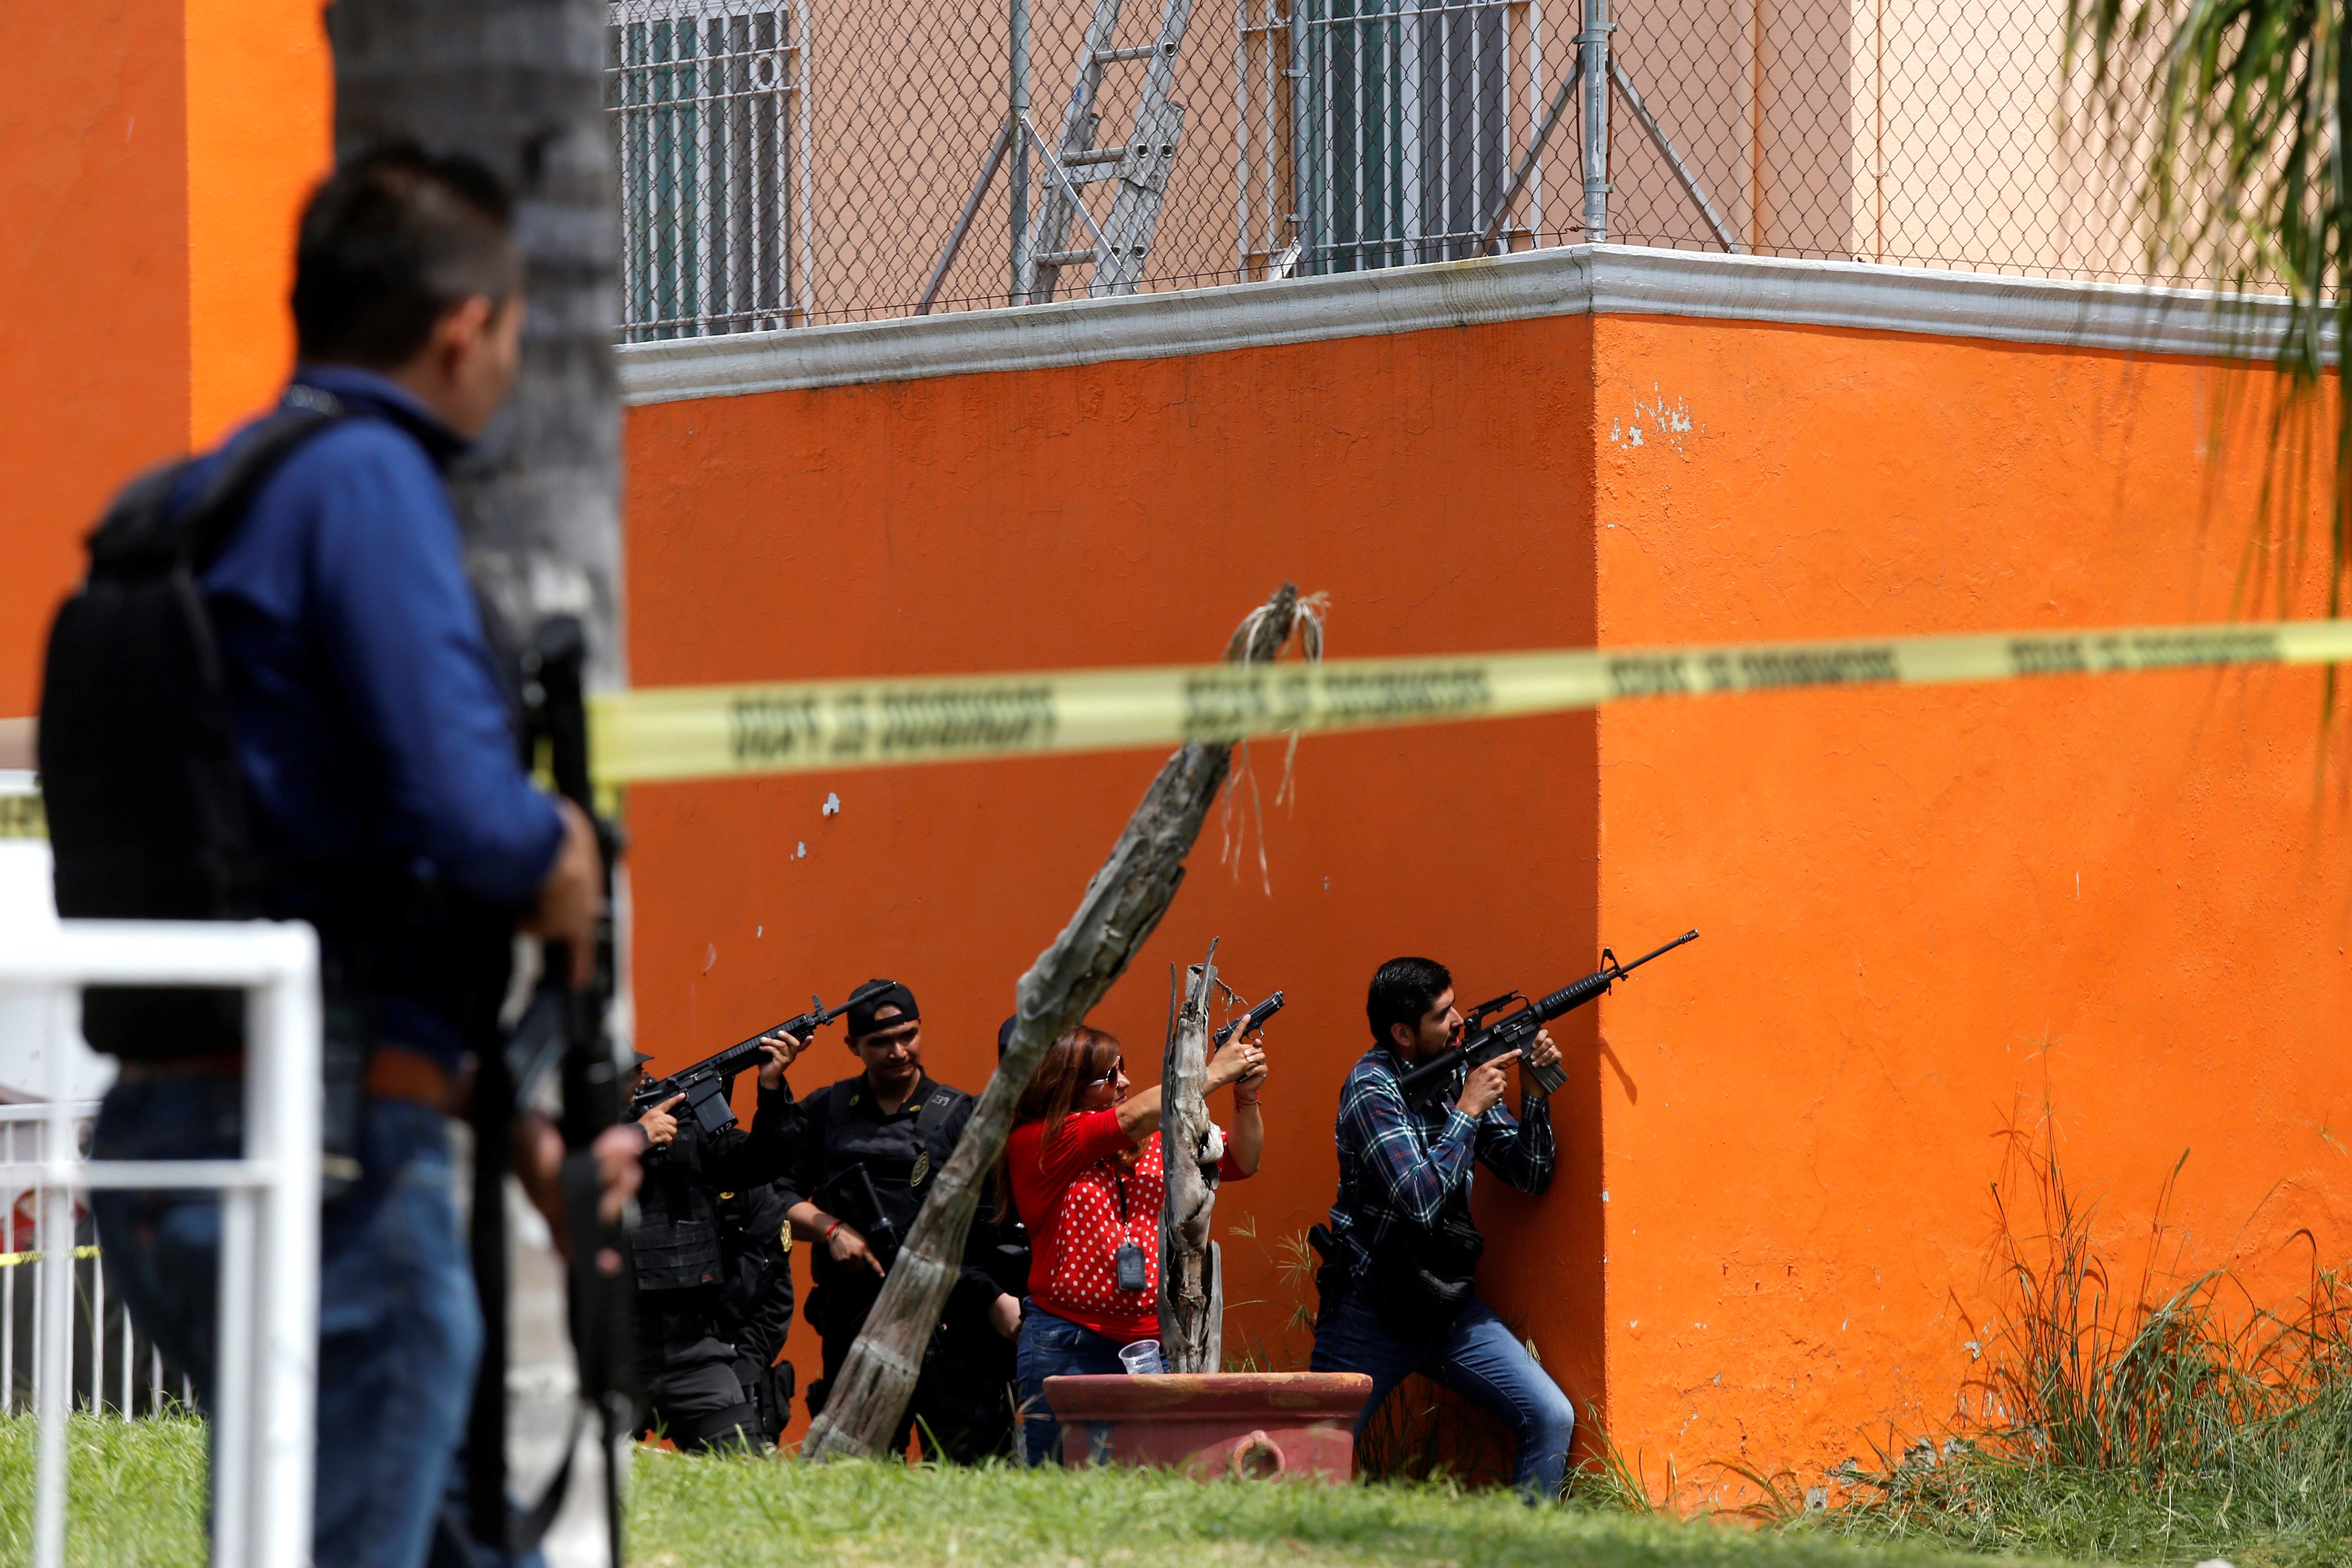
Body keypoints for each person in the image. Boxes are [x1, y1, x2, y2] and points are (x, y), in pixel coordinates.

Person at [76, 146, 638, 1568]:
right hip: (331, 1152)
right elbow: (468, 819)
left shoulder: (194, 505)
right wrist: (560, 846)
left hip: (173, 1126)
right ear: (468, 328)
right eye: (513, 330)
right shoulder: (371, 487)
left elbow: (307, 850)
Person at [1308, 957, 1575, 1502]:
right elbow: (1422, 1203)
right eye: (1442, 1015)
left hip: (1444, 1303)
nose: (1459, 1021)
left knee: (1550, 1416)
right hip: (1370, 1308)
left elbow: (1529, 1175)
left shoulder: (1454, 1070)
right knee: (1313, 1461)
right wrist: (1468, 1109)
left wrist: (1536, 1092)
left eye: (1454, 1005)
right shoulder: (1371, 1088)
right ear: (1403, 1033)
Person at [1004, 1023, 1268, 1466]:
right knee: (1058, 1480)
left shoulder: (1156, 1137)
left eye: (1122, 1069)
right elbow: (1123, 1121)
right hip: (1068, 1340)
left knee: (1152, 1478)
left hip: (1153, 1343)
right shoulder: (1041, 1140)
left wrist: (1246, 1096)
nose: (1123, 1081)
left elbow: (1243, 1158)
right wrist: (1213, 1073)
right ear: (1064, 1086)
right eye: (1108, 1077)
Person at [779, 979, 1021, 1461]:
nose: (897, 1050)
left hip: (946, 1321)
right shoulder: (827, 1110)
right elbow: (776, 1198)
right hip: (855, 1312)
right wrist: (831, 1230)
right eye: (880, 1042)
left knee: (964, 1464)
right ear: (852, 1046)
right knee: (855, 1467)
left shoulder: (959, 1115)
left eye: (907, 1035)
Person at [629, 1031, 803, 1452]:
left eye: (643, 1074)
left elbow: (760, 1164)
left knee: (742, 1470)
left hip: (694, 1347)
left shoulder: (685, 1132)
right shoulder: (568, 1139)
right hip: (608, 1351)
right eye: (629, 1080)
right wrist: (631, 1141)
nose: (643, 1085)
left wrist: (772, 1086)